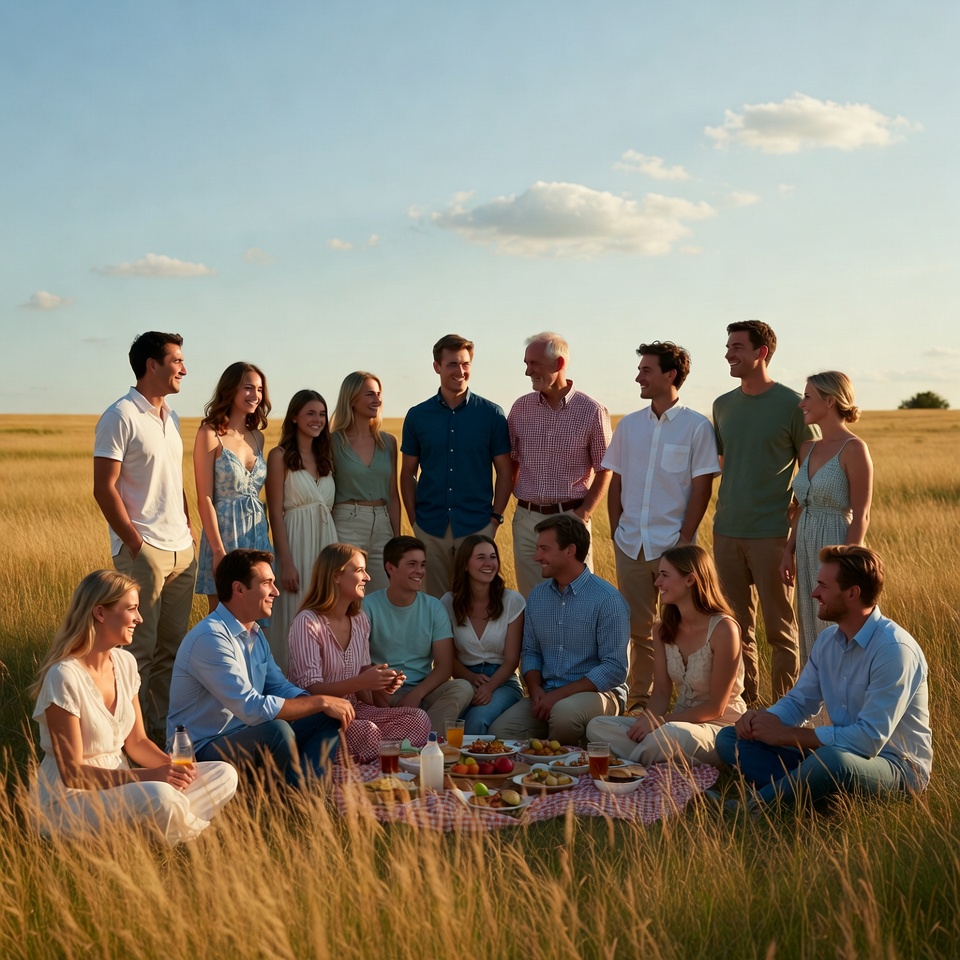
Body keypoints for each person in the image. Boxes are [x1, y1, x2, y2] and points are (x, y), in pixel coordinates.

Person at [716, 546, 932, 813]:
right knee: (730, 739)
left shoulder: (894, 650)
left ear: (852, 593)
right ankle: (817, 795)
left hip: (895, 767)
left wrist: (786, 735)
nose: (814, 593)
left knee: (833, 760)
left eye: (823, 586)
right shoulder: (828, 640)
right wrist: (763, 721)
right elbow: (799, 702)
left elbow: (868, 741)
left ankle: (752, 809)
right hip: (836, 755)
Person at [30, 570, 237, 844]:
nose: (139, 618)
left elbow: (137, 743)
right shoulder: (64, 676)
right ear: (100, 613)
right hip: (69, 800)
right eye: (131, 609)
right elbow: (73, 773)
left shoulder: (125, 664)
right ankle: (186, 838)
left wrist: (173, 769)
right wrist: (151, 777)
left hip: (126, 785)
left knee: (224, 775)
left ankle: (156, 830)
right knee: (160, 796)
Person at [167, 549, 353, 785]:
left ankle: (308, 791)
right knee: (279, 731)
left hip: (245, 734)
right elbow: (250, 707)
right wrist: (321, 701)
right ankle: (295, 795)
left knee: (326, 716)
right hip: (202, 751)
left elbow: (278, 685)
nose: (276, 592)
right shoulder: (210, 637)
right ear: (239, 589)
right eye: (267, 583)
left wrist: (319, 704)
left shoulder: (254, 632)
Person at [604, 341, 720, 710]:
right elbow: (616, 480)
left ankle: (684, 703)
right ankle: (640, 703)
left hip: (675, 547)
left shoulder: (697, 427)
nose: (639, 376)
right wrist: (615, 529)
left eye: (646, 370)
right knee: (638, 629)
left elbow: (702, 488)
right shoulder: (629, 426)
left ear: (670, 375)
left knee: (682, 626)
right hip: (630, 543)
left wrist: (684, 541)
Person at [93, 331, 197, 738]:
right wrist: (136, 544)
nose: (184, 369)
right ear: (151, 365)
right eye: (176, 361)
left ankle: (162, 738)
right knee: (139, 652)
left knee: (172, 653)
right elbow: (104, 487)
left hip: (181, 549)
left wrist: (188, 528)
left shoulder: (170, 416)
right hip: (146, 552)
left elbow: (174, 478)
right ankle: (128, 743)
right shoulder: (119, 415)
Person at [712, 320, 817, 706]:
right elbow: (725, 461)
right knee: (735, 629)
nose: (728, 354)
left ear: (762, 352)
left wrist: (795, 520)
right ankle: (745, 709)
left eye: (737, 347)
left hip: (772, 534)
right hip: (725, 532)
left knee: (780, 631)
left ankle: (785, 714)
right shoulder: (722, 404)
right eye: (727, 347)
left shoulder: (793, 404)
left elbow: (813, 468)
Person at [587, 545, 744, 767]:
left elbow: (715, 707)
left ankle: (629, 766)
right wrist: (647, 723)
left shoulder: (724, 629)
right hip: (674, 725)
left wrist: (658, 722)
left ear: (690, 580)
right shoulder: (662, 630)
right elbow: (661, 693)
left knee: (667, 736)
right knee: (598, 726)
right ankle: (648, 758)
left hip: (718, 728)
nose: (657, 582)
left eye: (664, 575)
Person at [489, 515, 629, 745]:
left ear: (570, 550)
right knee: (501, 731)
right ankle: (536, 769)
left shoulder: (608, 600)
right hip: (547, 694)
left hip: (600, 694)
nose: (536, 557)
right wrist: (535, 690)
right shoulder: (537, 596)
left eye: (544, 549)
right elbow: (531, 652)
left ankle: (565, 766)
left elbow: (614, 668)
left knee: (564, 716)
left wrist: (558, 696)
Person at [287, 543, 430, 762]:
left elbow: (363, 675)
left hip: (357, 710)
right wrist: (362, 681)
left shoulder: (359, 619)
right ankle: (372, 767)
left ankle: (376, 762)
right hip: (321, 717)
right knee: (368, 732)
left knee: (418, 719)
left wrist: (382, 682)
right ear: (336, 576)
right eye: (359, 570)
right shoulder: (307, 622)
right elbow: (311, 688)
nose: (368, 577)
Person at [400, 334, 513, 598]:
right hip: (430, 527)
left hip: (476, 526)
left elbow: (505, 472)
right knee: (435, 605)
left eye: (465, 364)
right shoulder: (417, 416)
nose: (460, 371)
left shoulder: (492, 415)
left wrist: (494, 521)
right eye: (452, 364)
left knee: (477, 602)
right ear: (437, 367)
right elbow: (407, 474)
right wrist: (415, 521)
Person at [507, 332, 611, 597]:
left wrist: (583, 515)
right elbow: (510, 462)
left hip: (571, 518)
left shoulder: (592, 410)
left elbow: (604, 468)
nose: (528, 371)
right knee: (533, 599)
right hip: (527, 521)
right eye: (526, 363)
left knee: (579, 597)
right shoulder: (520, 409)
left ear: (559, 363)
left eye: (534, 363)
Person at [780, 372, 873, 666]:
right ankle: (813, 709)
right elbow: (801, 507)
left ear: (830, 401)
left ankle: (840, 707)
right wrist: (788, 551)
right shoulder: (808, 448)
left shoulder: (854, 449)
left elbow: (862, 515)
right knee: (810, 624)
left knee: (834, 624)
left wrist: (843, 565)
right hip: (805, 541)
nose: (801, 404)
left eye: (807, 397)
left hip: (836, 543)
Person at [364, 536, 473, 732]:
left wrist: (416, 694)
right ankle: (409, 734)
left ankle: (425, 741)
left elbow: (444, 666)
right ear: (390, 568)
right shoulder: (367, 606)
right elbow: (359, 661)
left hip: (423, 692)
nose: (420, 571)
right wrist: (380, 688)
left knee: (462, 688)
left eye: (422, 564)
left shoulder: (434, 607)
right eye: (412, 564)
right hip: (380, 692)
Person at [266, 390, 338, 672]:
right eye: (310, 413)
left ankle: (324, 683)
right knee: (295, 614)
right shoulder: (279, 456)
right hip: (295, 542)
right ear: (294, 417)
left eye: (322, 414)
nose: (317, 419)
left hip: (326, 544)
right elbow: (274, 512)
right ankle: (290, 688)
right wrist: (286, 564)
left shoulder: (326, 458)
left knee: (325, 614)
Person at [194, 362, 272, 613]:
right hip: (225, 537)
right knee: (222, 618)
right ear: (231, 389)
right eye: (248, 388)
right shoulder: (210, 433)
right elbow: (204, 497)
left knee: (257, 617)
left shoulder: (258, 437)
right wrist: (218, 552)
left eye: (259, 389)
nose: (255, 395)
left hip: (257, 534)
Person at [440, 535, 525, 735]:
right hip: (463, 680)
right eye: (481, 558)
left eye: (493, 557)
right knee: (450, 724)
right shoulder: (448, 602)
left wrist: (489, 687)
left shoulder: (512, 601)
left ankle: (475, 766)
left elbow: (512, 660)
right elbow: (447, 657)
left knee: (476, 720)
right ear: (465, 565)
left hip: (503, 681)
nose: (489, 564)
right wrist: (470, 677)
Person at [329, 372, 401, 594]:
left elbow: (393, 493)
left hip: (383, 524)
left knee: (383, 594)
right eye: (369, 394)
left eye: (379, 394)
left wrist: (396, 539)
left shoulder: (388, 442)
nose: (377, 399)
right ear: (351, 399)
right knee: (347, 595)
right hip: (347, 523)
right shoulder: (332, 442)